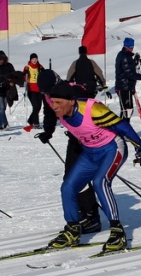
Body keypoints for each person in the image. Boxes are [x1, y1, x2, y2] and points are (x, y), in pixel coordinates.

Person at [47, 80, 141, 254]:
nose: (54, 106)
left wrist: (140, 148)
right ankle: (73, 229)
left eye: (58, 102)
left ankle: (117, 232)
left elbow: (123, 126)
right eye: (53, 102)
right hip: (90, 153)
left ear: (71, 101)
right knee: (68, 187)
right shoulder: (61, 113)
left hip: (112, 148)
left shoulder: (93, 110)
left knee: (100, 182)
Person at [35, 69, 102, 234]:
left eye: (50, 91)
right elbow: (50, 114)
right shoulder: (48, 96)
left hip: (90, 137)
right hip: (75, 138)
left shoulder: (74, 91)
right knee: (69, 178)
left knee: (79, 177)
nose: (49, 96)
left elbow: (91, 111)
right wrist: (48, 132)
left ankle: (92, 217)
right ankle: (82, 213)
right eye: (45, 92)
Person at [114, 37, 141, 119]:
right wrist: (140, 76)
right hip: (124, 86)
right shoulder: (125, 56)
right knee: (127, 110)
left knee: (126, 110)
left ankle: (124, 128)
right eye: (131, 47)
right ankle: (123, 129)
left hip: (125, 86)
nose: (132, 49)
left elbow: (128, 68)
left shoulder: (124, 55)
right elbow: (129, 73)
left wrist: (135, 62)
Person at [23, 53, 44, 129]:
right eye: (33, 59)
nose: (34, 60)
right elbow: (23, 77)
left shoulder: (40, 66)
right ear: (30, 60)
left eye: (35, 59)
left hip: (39, 89)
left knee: (39, 107)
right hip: (31, 90)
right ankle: (36, 123)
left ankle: (31, 120)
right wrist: (25, 76)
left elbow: (44, 74)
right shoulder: (27, 67)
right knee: (35, 106)